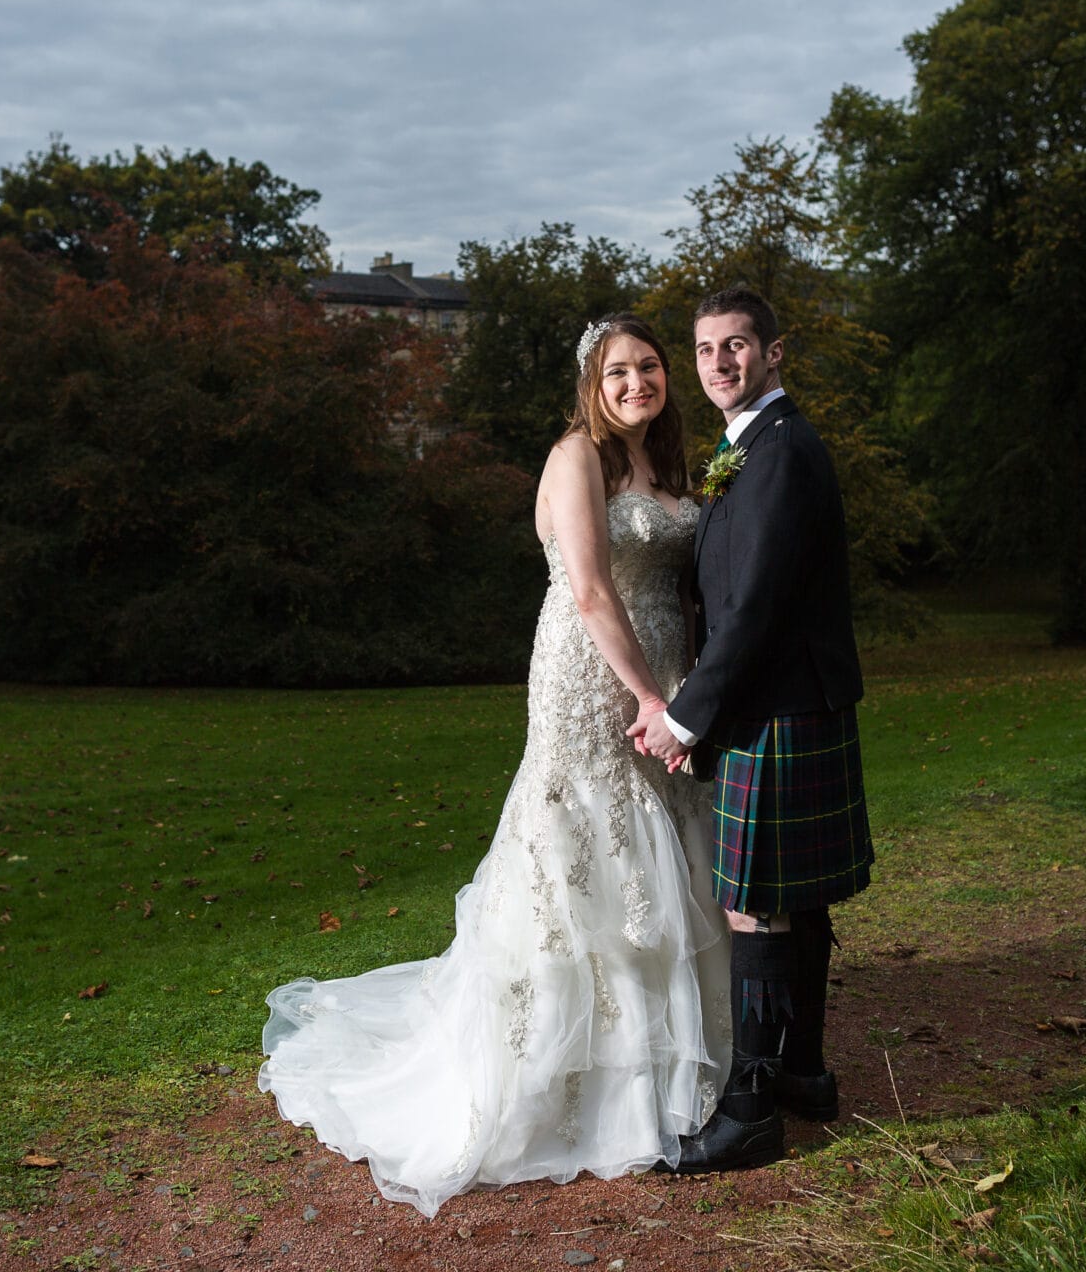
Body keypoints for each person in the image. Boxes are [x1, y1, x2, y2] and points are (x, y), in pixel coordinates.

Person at [258, 314, 731, 1216]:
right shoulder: (575, 457)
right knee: (586, 849)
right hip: (597, 677)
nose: (638, 382)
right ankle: (575, 1074)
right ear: (591, 383)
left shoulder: (666, 469)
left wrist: (687, 686)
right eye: (618, 370)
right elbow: (590, 588)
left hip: (664, 677)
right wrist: (649, 696)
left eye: (651, 367)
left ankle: (670, 1061)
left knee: (664, 844)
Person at [631, 286, 875, 1174]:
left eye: (737, 346)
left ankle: (752, 1110)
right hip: (786, 701)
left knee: (756, 903)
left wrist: (689, 714)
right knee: (790, 897)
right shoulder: (760, 447)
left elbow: (758, 608)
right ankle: (803, 1074)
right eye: (705, 350)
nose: (719, 363)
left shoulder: (778, 454)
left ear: (776, 352)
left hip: (777, 704)